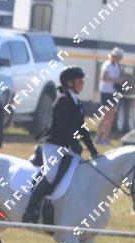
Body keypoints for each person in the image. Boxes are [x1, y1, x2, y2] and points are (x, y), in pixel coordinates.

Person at [23, 66, 98, 224]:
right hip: (54, 145)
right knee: (50, 175)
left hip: (66, 145)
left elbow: (81, 129)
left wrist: (92, 149)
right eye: (80, 81)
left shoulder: (77, 102)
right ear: (70, 83)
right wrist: (75, 144)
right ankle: (29, 210)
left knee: (80, 169)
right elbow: (66, 128)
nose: (83, 83)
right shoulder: (62, 101)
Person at [96, 47, 124, 146]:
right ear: (113, 56)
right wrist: (116, 80)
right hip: (105, 92)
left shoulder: (116, 66)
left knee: (110, 117)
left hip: (112, 92)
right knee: (105, 115)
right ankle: (99, 138)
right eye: (118, 57)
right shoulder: (107, 65)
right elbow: (103, 77)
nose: (119, 59)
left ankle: (104, 138)